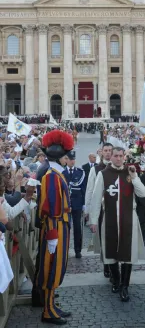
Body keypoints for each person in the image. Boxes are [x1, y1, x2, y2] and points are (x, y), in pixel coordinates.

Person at [89, 147, 145, 302]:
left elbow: (143, 193)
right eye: (115, 156)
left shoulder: (131, 173)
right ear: (111, 157)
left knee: (128, 253)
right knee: (111, 251)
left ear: (124, 157)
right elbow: (95, 198)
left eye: (121, 156)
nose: (118, 159)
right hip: (110, 217)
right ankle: (116, 279)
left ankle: (125, 286)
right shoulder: (103, 174)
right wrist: (93, 220)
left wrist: (135, 177)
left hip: (129, 218)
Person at [35, 130, 74, 325]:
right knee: (52, 267)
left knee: (57, 267)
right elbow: (50, 208)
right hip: (55, 226)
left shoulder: (55, 173)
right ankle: (48, 310)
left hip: (60, 225)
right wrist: (51, 234)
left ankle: (51, 304)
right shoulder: (52, 176)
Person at [85, 143, 113, 278]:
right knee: (104, 237)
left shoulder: (118, 168)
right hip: (101, 208)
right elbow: (90, 191)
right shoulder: (96, 169)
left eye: (110, 151)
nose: (108, 153)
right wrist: (89, 212)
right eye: (105, 150)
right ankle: (107, 264)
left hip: (115, 208)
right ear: (101, 152)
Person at [63, 151, 85, 259]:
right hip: (65, 205)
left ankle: (77, 250)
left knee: (77, 228)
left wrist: (84, 204)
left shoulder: (80, 172)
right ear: (66, 160)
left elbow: (83, 189)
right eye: (70, 159)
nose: (72, 161)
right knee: (65, 228)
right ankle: (64, 250)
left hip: (77, 204)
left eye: (73, 159)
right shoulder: (62, 173)